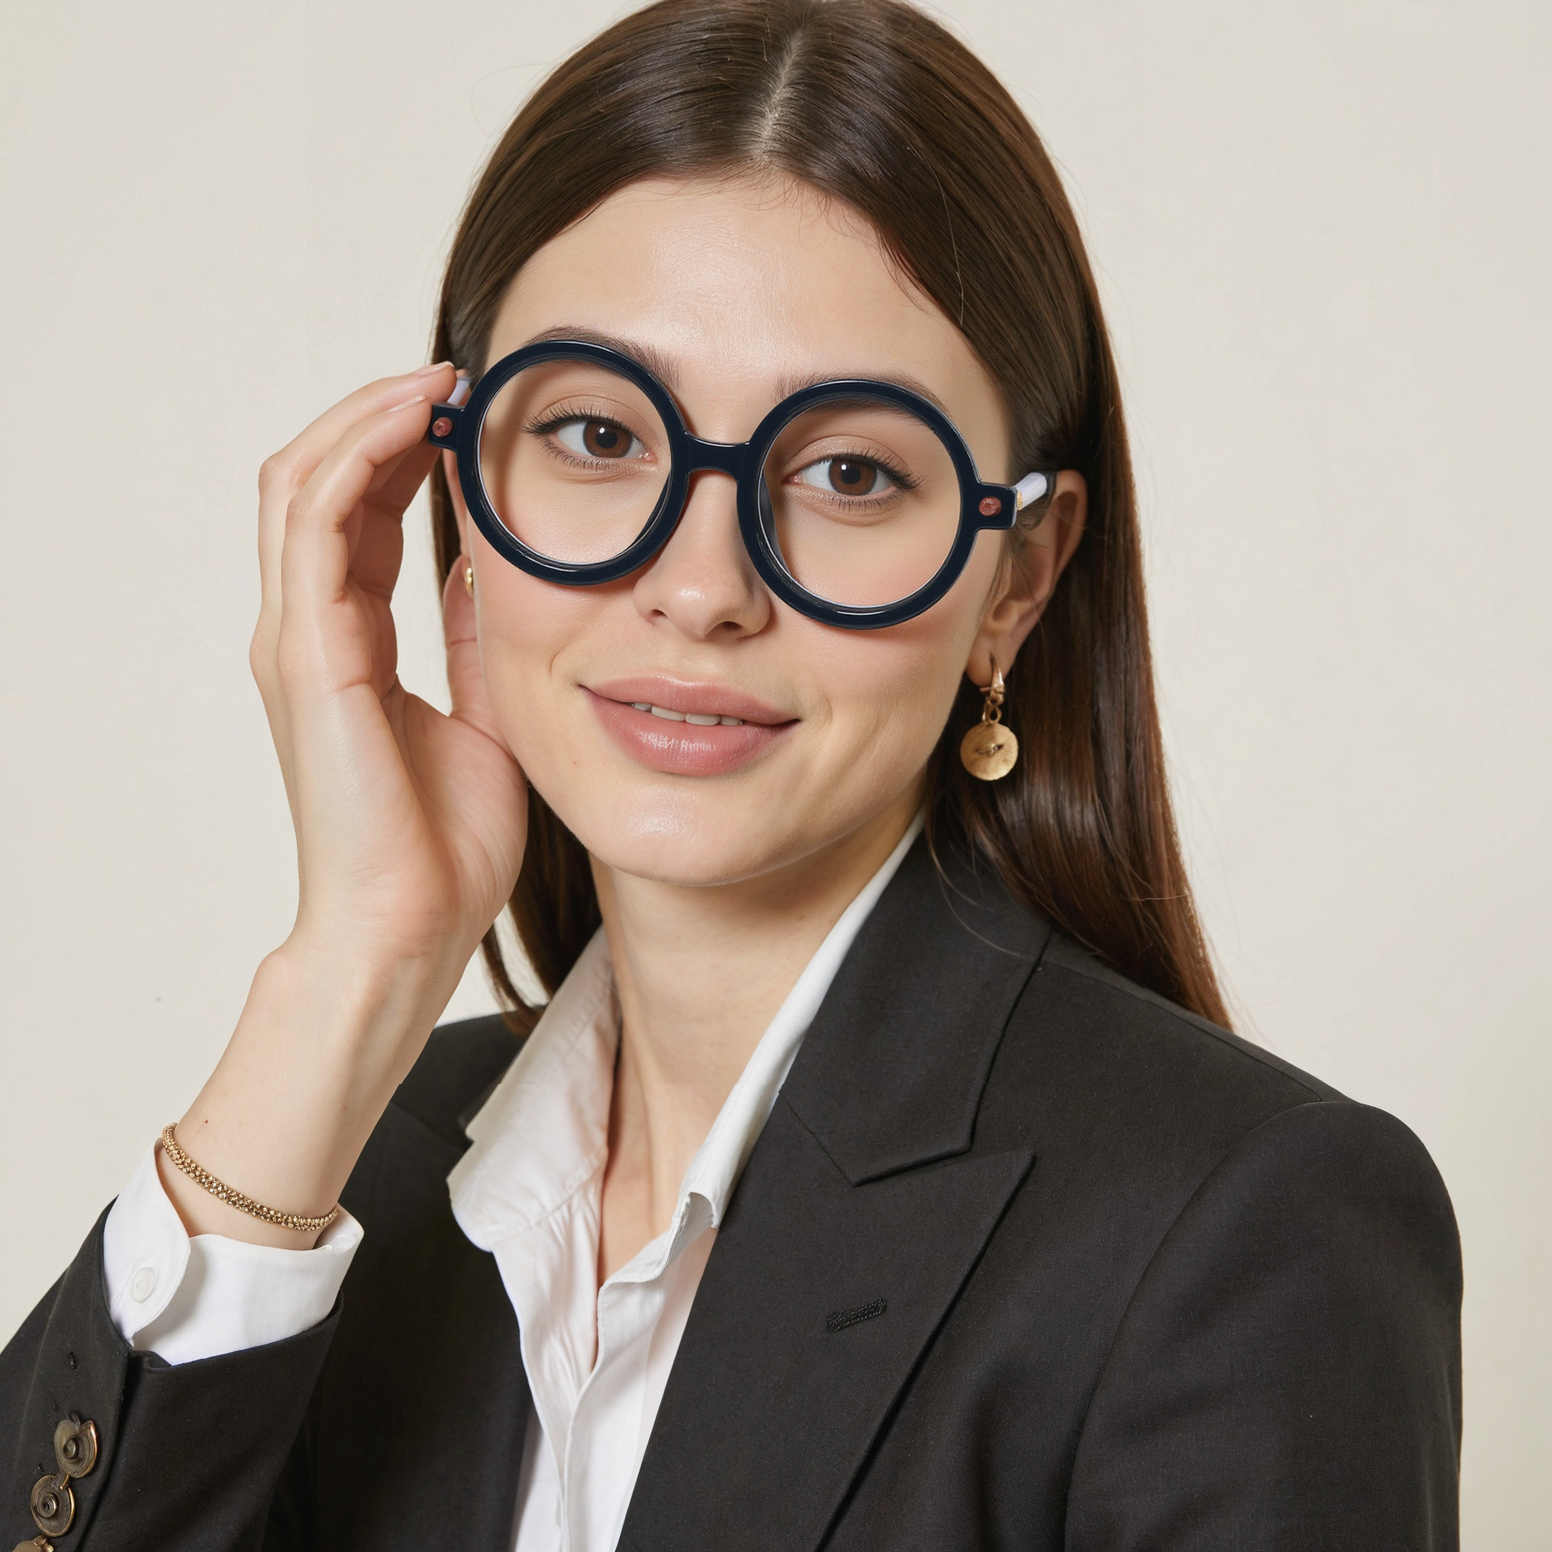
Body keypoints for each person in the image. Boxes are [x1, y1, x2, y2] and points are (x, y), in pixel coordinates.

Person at [0, 1, 1461, 1547]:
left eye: (849, 471)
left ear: (1017, 578)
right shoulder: (354, 1177)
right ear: (464, 501)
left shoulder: (1244, 1234)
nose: (701, 586)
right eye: (595, 433)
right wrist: (351, 975)